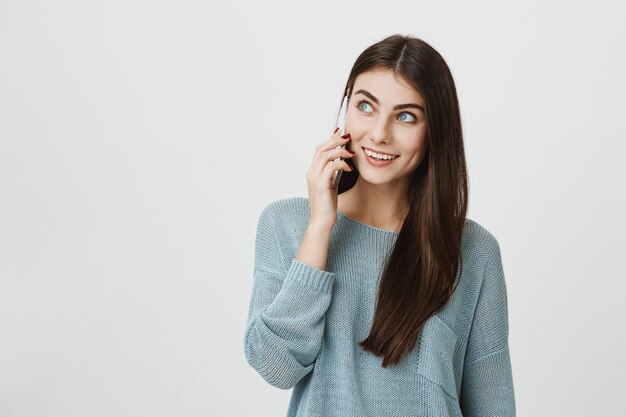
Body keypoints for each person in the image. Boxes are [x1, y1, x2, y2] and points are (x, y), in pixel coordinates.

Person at [243, 33, 516, 417]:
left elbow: (494, 406)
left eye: (406, 116)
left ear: (434, 129)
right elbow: (276, 364)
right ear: (346, 108)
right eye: (366, 106)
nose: (379, 133)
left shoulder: (473, 251)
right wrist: (321, 225)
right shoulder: (286, 225)